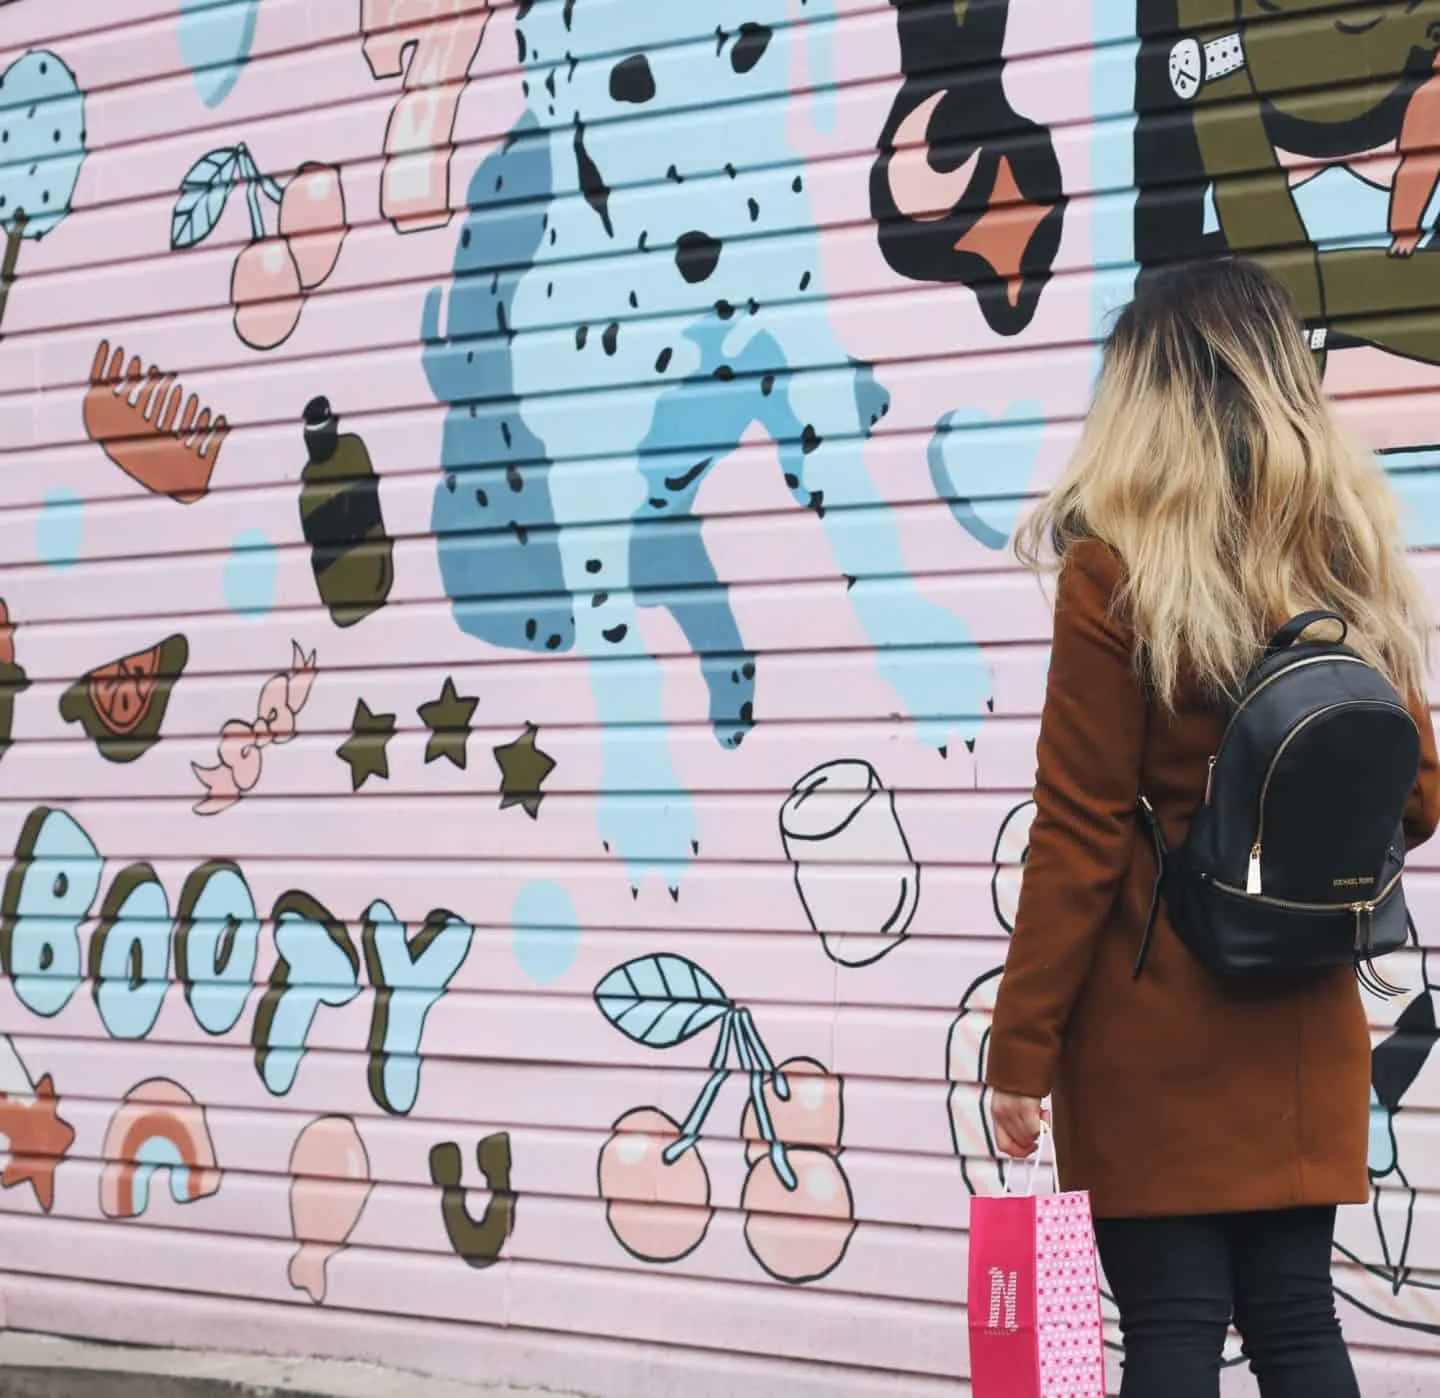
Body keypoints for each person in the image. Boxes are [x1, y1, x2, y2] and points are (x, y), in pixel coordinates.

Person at [983, 257, 1440, 1398]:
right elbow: (1419, 793)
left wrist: (1020, 1051)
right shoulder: (1343, 563)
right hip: (1302, 1022)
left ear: (1144, 399)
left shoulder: (1114, 574)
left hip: (1152, 1029)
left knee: (1176, 1328)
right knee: (1295, 1321)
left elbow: (1079, 834)